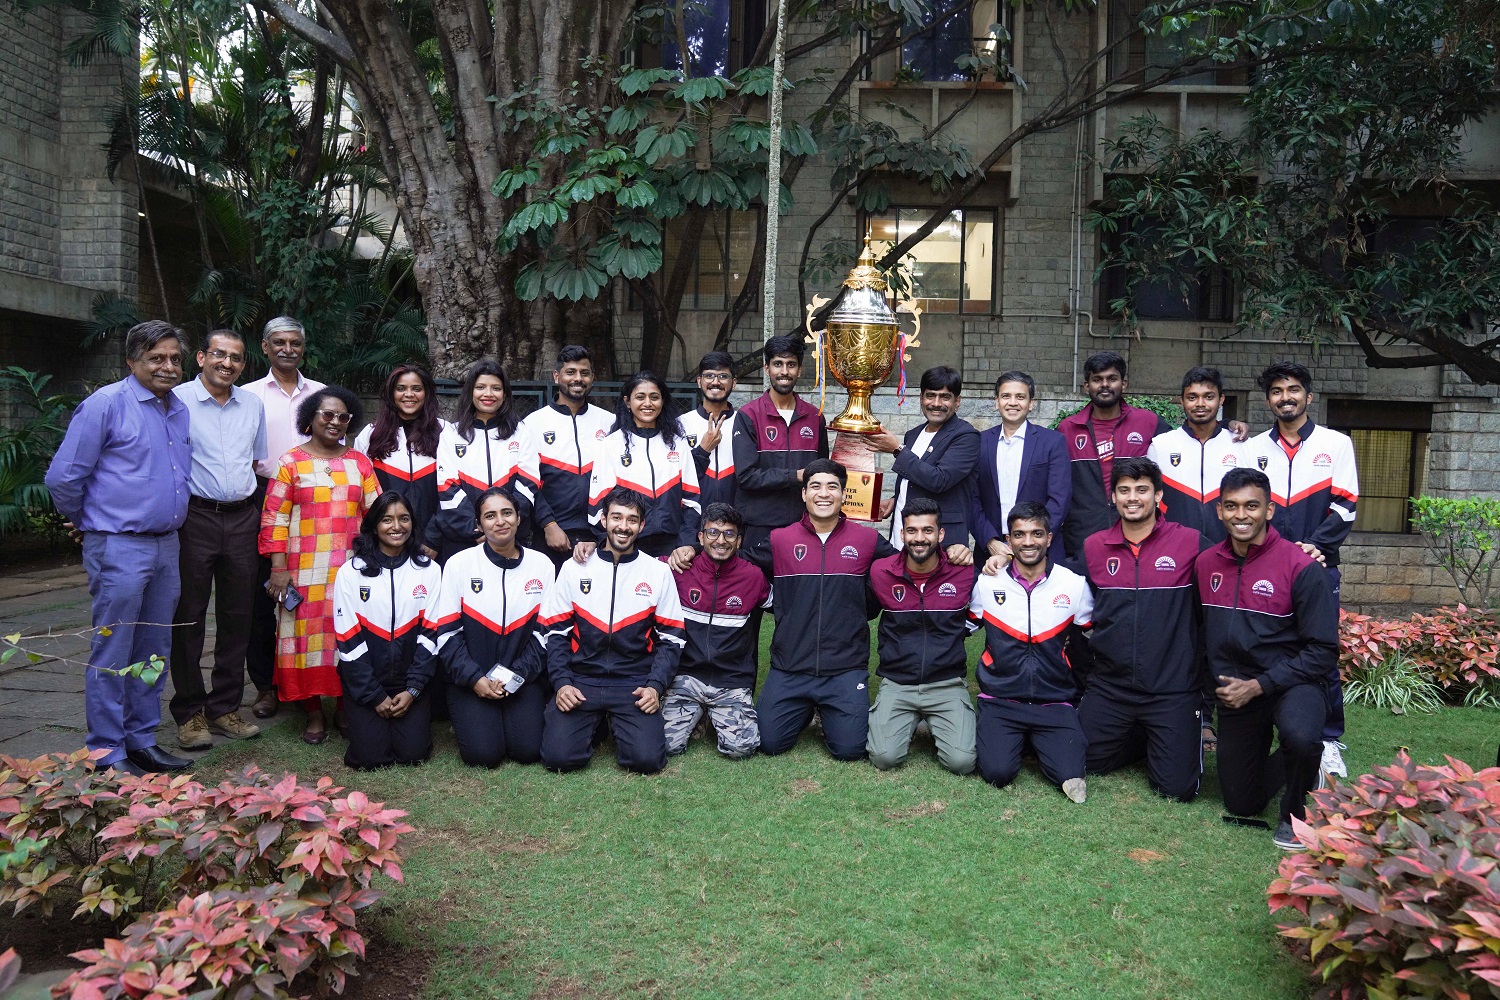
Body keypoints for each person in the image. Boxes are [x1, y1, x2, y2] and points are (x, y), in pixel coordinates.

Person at [44, 320, 194, 774]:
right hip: (119, 547)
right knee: (114, 650)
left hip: (166, 546)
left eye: (173, 358)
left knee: (153, 650)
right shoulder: (106, 405)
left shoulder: (178, 408)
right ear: (131, 361)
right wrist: (89, 522)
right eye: (156, 358)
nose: (167, 367)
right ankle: (106, 750)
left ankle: (141, 738)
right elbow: (63, 477)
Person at [1198, 467, 1338, 850]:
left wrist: (1261, 684)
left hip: (1294, 682)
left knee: (1302, 735)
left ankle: (1295, 813)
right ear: (1220, 511)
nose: (1241, 515)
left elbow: (1323, 652)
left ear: (1269, 510)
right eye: (1232, 506)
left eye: (1251, 506)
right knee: (1242, 802)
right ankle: (1306, 761)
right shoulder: (1207, 563)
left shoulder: (1301, 568)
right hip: (1236, 688)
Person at [1243, 360, 1359, 781]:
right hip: (1264, 569)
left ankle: (1328, 740)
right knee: (1264, 647)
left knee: (1320, 652)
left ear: (1308, 396)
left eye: (1293, 389)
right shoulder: (1253, 448)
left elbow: (1346, 504)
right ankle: (1268, 728)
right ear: (1268, 399)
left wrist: (1318, 546)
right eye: (1276, 391)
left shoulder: (1336, 444)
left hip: (1317, 565)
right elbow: (1246, 509)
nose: (1285, 397)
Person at [1077, 457, 1208, 802]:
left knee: (1176, 790)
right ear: (1114, 497)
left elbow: (1237, 565)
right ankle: (1139, 737)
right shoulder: (1094, 547)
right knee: (1080, 761)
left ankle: (1163, 735)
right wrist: (1001, 559)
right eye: (1124, 490)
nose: (1132, 498)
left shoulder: (1192, 544)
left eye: (1142, 490)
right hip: (1111, 687)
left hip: (1172, 688)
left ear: (1158, 494)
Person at [260, 385, 382, 745]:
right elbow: (274, 520)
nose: (335, 422)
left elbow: (375, 512)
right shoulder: (289, 463)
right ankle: (313, 713)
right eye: (327, 415)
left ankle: (345, 708)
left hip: (350, 571)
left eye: (343, 417)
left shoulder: (359, 462)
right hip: (302, 572)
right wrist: (279, 569)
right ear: (310, 418)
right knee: (303, 641)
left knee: (348, 637)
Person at [753, 459, 896, 761]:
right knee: (769, 743)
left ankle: (828, 709)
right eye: (815, 486)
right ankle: (803, 709)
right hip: (790, 665)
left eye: (832, 486)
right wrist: (689, 551)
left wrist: (954, 556)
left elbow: (905, 566)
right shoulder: (780, 539)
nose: (824, 493)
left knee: (850, 750)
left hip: (844, 668)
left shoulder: (867, 540)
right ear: (803, 493)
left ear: (844, 494)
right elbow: (738, 565)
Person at [167, 329, 267, 751]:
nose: (227, 363)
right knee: (188, 615)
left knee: (238, 615)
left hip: (244, 517)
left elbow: (255, 460)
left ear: (244, 364)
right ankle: (190, 713)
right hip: (195, 518)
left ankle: (225, 706)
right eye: (219, 355)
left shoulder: (253, 405)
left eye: (236, 358)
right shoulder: (176, 402)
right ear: (202, 357)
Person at [540, 487, 687, 774]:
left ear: (642, 526)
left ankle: (611, 722)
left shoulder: (657, 572)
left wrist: (655, 687)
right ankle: (593, 725)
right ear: (603, 520)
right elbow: (556, 633)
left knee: (646, 761)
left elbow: (672, 639)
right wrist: (562, 683)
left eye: (632, 520)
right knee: (558, 759)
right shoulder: (575, 567)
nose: (623, 526)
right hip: (582, 679)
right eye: (616, 517)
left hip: (633, 681)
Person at [966, 502, 1094, 801]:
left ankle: (1038, 741)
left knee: (1070, 775)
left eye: (1037, 534)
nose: (1028, 542)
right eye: (1019, 534)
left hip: (1054, 700)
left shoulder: (1073, 585)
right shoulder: (987, 583)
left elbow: (1094, 636)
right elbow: (963, 629)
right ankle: (1018, 740)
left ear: (1049, 538)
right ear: (1008, 541)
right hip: (1000, 699)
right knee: (998, 773)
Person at [427, 487, 554, 766]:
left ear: (519, 518)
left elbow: (545, 635)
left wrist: (516, 676)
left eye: (507, 513)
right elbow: (446, 635)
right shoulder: (458, 565)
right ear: (479, 524)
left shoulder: (541, 565)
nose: (500, 521)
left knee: (528, 751)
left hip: (521, 677)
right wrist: (475, 679)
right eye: (490, 515)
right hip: (472, 679)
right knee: (483, 755)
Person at [242, 316, 325, 721]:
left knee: (312, 597)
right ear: (265, 346)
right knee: (264, 597)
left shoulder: (323, 395)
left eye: (295, 342)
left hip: (317, 503)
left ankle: (315, 678)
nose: (287, 349)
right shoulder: (247, 395)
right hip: (262, 495)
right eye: (279, 342)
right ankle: (266, 686)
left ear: (303, 347)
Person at [866, 498, 978, 775]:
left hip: (946, 682)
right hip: (898, 682)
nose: (919, 538)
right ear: (902, 534)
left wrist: (1003, 555)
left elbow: (994, 596)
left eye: (928, 530)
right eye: (912, 530)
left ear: (941, 534)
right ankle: (908, 720)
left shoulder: (963, 569)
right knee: (884, 758)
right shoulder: (881, 571)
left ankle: (934, 720)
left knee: (962, 763)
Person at [332, 492, 441, 769]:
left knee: (413, 754)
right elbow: (348, 640)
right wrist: (374, 696)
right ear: (373, 526)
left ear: (412, 524)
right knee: (370, 759)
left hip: (409, 681)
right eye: (387, 520)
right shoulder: (350, 572)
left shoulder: (429, 571)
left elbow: (431, 637)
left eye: (404, 519)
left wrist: (414, 688)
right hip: (367, 682)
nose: (396, 526)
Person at [664, 502, 771, 758]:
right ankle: (698, 715)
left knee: (742, 749)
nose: (720, 540)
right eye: (712, 532)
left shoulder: (753, 577)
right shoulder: (677, 570)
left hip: (731, 679)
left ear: (739, 540)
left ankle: (712, 713)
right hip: (686, 677)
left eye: (729, 534)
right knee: (665, 745)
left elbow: (787, 608)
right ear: (700, 537)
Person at [1057, 352, 1173, 564]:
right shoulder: (1067, 429)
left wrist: (1225, 427)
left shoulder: (1148, 423)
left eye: (1112, 378)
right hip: (1083, 535)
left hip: (1138, 532)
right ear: (1086, 386)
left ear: (1124, 383)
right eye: (1097, 379)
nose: (1104, 385)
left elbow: (1186, 443)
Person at [425, 359, 540, 564]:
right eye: (480, 387)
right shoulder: (451, 434)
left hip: (511, 539)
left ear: (504, 394)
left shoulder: (521, 431)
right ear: (470, 392)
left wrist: (502, 527)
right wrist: (479, 528)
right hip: (464, 540)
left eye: (496, 388)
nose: (488, 394)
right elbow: (447, 488)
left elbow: (528, 484)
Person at [582, 371, 700, 566]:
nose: (648, 403)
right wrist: (613, 546)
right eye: (640, 397)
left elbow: (692, 501)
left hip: (672, 548)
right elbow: (597, 506)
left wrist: (685, 543)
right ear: (628, 402)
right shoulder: (611, 444)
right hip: (628, 546)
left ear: (663, 401)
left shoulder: (678, 444)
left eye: (654, 397)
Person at [730, 334, 830, 558]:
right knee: (758, 590)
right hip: (759, 525)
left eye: (791, 364)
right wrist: (795, 475)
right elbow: (746, 477)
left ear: (800, 370)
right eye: (778, 364)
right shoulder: (748, 415)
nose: (784, 371)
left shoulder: (815, 416)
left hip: (804, 525)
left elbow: (822, 473)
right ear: (767, 368)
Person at [869, 365, 980, 555]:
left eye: (945, 397)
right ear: (921, 398)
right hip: (902, 536)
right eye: (930, 395)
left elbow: (940, 480)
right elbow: (916, 477)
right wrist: (898, 499)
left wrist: (897, 449)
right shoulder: (913, 434)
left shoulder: (967, 436)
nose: (936, 403)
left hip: (942, 545)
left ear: (957, 401)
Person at [521, 345, 614, 569]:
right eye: (570, 372)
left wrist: (602, 532)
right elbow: (527, 483)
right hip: (551, 536)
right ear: (556, 376)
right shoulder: (532, 424)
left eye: (584, 373)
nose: (578, 378)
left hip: (600, 535)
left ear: (592, 377)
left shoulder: (609, 422)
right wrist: (549, 525)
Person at [972, 371, 1071, 565]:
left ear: (1031, 403)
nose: (1012, 402)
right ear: (996, 402)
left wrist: (1032, 539)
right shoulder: (979, 442)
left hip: (1040, 549)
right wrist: (990, 541)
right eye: (1006, 396)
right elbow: (971, 498)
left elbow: (1060, 499)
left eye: (1020, 397)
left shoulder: (1052, 442)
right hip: (991, 552)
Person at [353, 364, 446, 554]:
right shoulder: (371, 434)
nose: (409, 394)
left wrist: (433, 539)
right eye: (401, 388)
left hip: (434, 543)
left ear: (427, 393)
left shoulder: (446, 432)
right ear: (391, 394)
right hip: (384, 542)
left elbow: (451, 493)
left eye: (417, 389)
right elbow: (362, 494)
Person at [1147, 366, 1244, 545]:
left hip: (1231, 549)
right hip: (1174, 548)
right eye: (1192, 397)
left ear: (1221, 399)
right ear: (1182, 401)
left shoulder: (1241, 444)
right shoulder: (1160, 446)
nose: (1200, 404)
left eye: (1209, 397)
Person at [679, 351, 739, 511]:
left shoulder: (745, 422)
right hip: (694, 518)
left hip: (736, 519)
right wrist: (703, 449)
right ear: (699, 381)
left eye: (723, 376)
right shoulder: (680, 424)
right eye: (709, 376)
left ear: (733, 383)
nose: (716, 382)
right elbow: (676, 477)